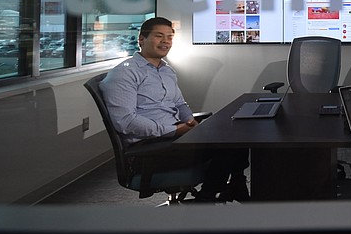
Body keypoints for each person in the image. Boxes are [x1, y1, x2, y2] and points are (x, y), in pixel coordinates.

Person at [100, 17, 250, 202]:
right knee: (226, 147)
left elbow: (180, 103)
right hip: (151, 148)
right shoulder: (124, 73)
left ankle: (234, 185)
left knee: (237, 133)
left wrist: (191, 123)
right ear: (141, 39)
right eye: (159, 36)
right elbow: (127, 122)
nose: (166, 41)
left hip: (175, 138)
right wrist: (175, 130)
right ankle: (207, 198)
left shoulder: (166, 70)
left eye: (170, 37)